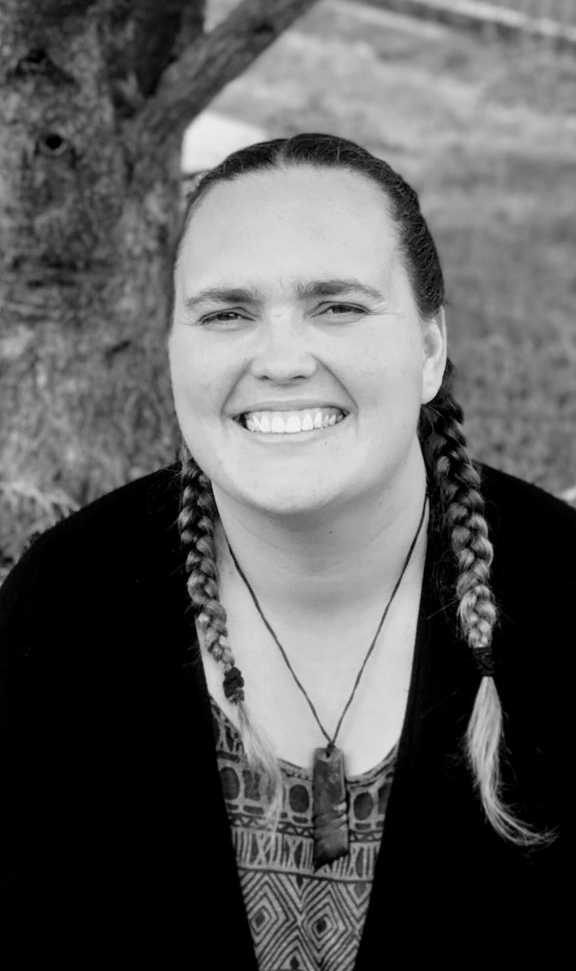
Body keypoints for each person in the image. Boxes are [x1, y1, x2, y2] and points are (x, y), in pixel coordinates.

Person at [0, 133, 572, 966]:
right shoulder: (61, 610)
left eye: (337, 306)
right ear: (173, 352)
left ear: (429, 349)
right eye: (226, 313)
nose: (279, 360)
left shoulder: (568, 599)